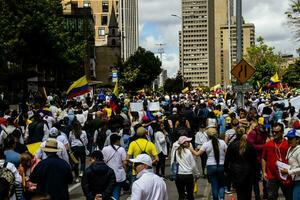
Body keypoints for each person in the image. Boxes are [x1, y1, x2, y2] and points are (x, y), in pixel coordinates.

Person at [190, 128, 227, 200]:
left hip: (210, 166)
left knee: (214, 185)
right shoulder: (222, 142)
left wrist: (191, 149)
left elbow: (197, 154)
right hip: (221, 165)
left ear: (208, 136)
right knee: (222, 184)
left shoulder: (206, 144)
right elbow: (227, 153)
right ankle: (222, 198)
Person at [224, 127, 257, 200]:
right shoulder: (249, 145)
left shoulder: (232, 145)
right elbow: (254, 161)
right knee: (248, 194)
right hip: (248, 172)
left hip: (236, 172)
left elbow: (227, 160)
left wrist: (227, 171)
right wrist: (255, 173)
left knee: (240, 193)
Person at [262, 122, 291, 200]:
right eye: (273, 131)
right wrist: (264, 171)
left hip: (285, 175)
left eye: (276, 132)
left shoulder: (288, 144)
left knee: (289, 196)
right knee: (271, 197)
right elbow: (264, 158)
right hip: (272, 175)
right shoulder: (268, 144)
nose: (274, 133)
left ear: (282, 132)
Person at [172, 136, 200, 200]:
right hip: (188, 175)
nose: (190, 143)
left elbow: (172, 163)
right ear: (184, 143)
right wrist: (197, 174)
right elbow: (193, 165)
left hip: (179, 175)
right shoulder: (188, 152)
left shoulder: (175, 151)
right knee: (190, 195)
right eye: (188, 142)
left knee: (181, 195)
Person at [102, 134, 127, 200]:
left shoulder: (105, 149)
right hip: (118, 175)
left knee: (107, 193)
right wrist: (126, 171)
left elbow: (103, 161)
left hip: (107, 175)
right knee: (116, 193)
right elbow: (125, 163)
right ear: (117, 141)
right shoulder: (121, 149)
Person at [280, 129, 300, 199]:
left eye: (291, 138)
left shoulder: (299, 150)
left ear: (297, 140)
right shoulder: (290, 148)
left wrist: (289, 171)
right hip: (292, 180)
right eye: (288, 138)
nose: (289, 140)